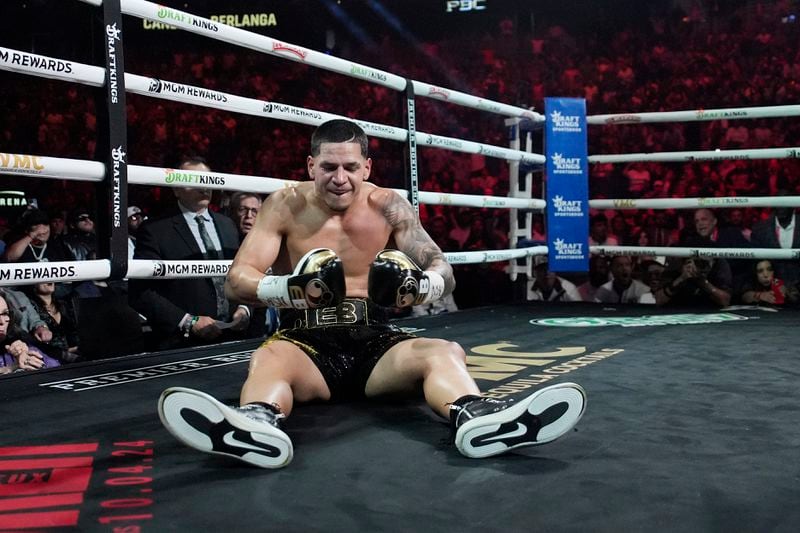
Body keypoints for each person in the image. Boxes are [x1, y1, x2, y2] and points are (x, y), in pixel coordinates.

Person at [157, 120, 586, 468]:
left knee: (443, 350)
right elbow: (237, 280)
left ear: (367, 167)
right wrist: (289, 289)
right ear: (310, 166)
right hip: (306, 343)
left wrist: (421, 285)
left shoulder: (389, 206)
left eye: (349, 167)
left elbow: (444, 271)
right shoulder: (283, 205)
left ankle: (477, 418)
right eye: (328, 167)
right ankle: (254, 426)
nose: (339, 178)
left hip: (376, 343)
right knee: (269, 358)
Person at [130, 156, 253, 350]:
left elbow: (242, 272)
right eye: (194, 180)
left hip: (232, 336)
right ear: (176, 189)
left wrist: (244, 308)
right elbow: (139, 291)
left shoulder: (227, 225)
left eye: (207, 180)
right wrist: (187, 321)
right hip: (182, 344)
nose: (203, 187)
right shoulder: (156, 229)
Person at [0, 289, 61, 372]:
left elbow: (57, 370)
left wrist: (34, 362)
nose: (2, 321)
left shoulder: (20, 348)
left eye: (5, 314)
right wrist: (9, 369)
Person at [654, 256, 732, 307]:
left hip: (708, 310)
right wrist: (681, 278)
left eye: (702, 261)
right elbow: (659, 300)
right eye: (696, 261)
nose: (698, 265)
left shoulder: (718, 263)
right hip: (678, 309)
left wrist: (703, 281)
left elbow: (725, 301)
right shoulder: (677, 263)